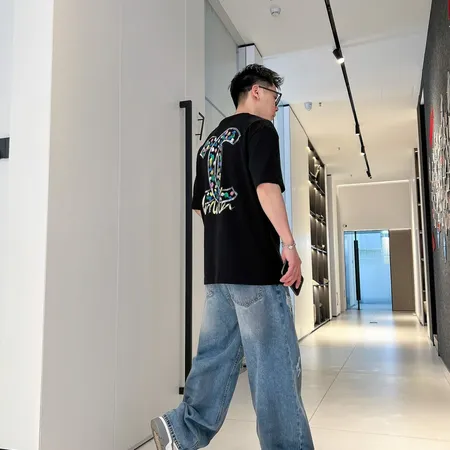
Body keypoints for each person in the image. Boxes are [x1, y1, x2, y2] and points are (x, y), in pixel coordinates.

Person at [151, 64, 314, 450]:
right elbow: (267, 188)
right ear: (256, 91)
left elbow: (199, 207)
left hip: (219, 272)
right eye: (275, 95)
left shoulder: (209, 142)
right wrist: (289, 245)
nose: (276, 104)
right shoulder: (260, 130)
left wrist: (228, 233)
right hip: (256, 271)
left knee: (215, 358)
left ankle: (181, 431)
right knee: (274, 368)